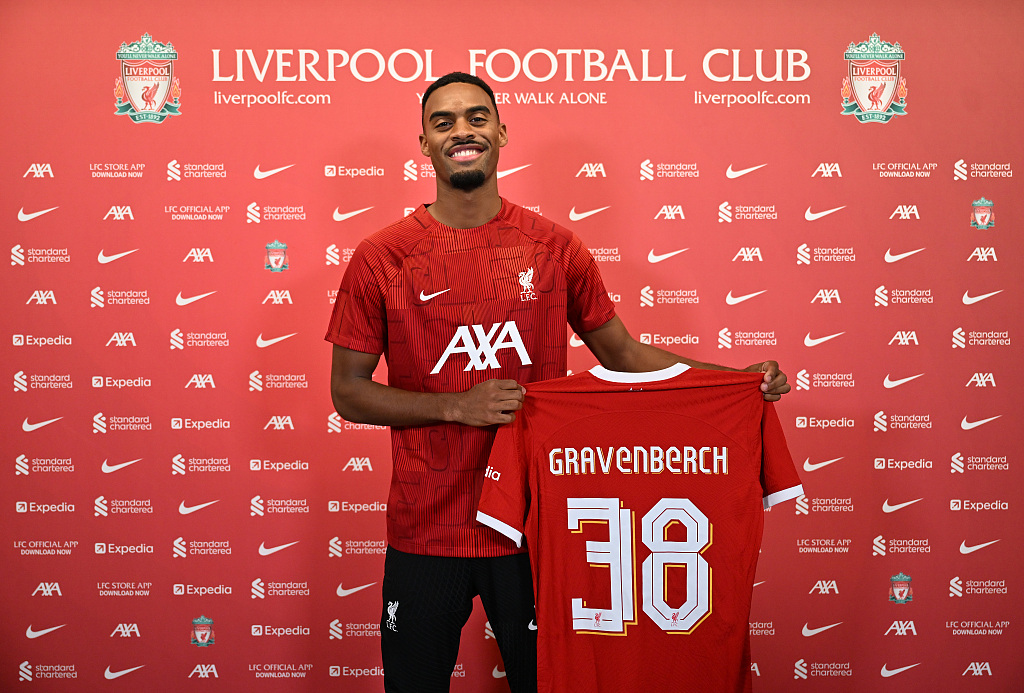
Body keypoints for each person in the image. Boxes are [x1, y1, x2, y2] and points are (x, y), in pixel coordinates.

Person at [325, 71, 790, 693]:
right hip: (425, 525)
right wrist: (460, 407)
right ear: (425, 144)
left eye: (476, 117)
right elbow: (348, 393)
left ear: (501, 132)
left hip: (538, 526)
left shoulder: (554, 247)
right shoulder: (382, 255)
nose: (462, 130)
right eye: (444, 122)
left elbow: (622, 352)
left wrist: (734, 380)